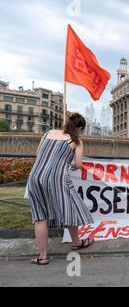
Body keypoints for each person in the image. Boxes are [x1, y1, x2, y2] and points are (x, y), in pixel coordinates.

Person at [24, 113, 94, 265]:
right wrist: (68, 164)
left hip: (35, 177)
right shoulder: (76, 140)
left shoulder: (48, 133)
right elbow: (78, 164)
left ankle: (42, 256)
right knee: (68, 208)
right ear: (80, 128)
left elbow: (38, 154)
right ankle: (77, 242)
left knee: (39, 216)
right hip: (56, 178)